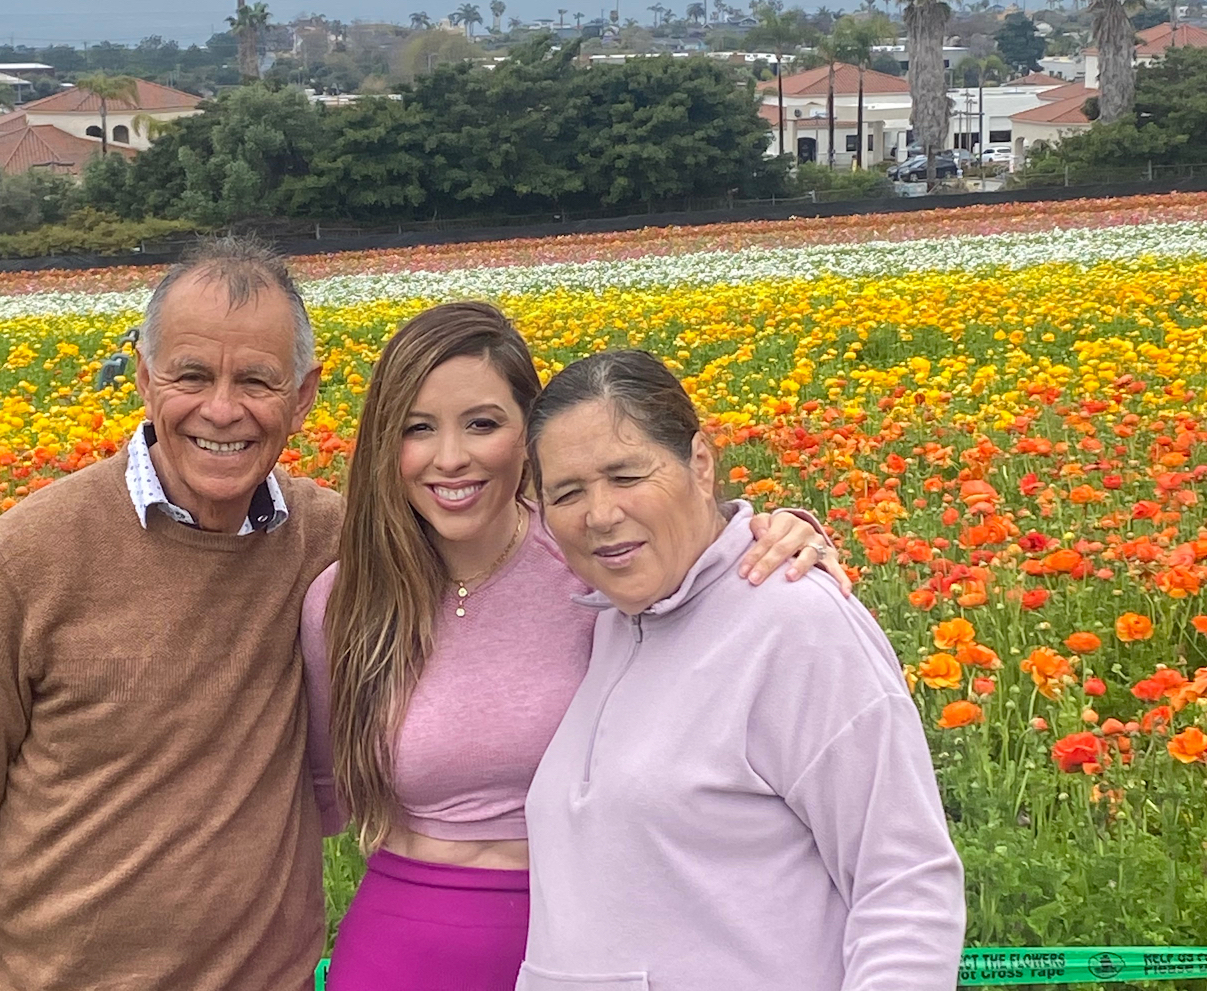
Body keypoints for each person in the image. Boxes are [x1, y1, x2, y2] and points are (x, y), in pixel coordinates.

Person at [300, 303, 850, 991]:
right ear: (385, 443)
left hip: (601, 944)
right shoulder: (345, 600)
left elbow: (708, 585)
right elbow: (316, 797)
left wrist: (782, 531)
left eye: (482, 423)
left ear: (528, 437)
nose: (450, 457)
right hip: (402, 948)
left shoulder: (594, 562)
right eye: (417, 428)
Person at [0, 241, 343, 991]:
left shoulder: (330, 542)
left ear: (303, 396)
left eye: (257, 381)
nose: (222, 409)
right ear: (142, 378)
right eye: (190, 376)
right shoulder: (32, 553)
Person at [518, 350, 965, 991]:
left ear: (700, 462)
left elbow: (904, 884)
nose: (599, 514)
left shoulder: (796, 623)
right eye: (567, 492)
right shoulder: (609, 625)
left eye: (625, 475)